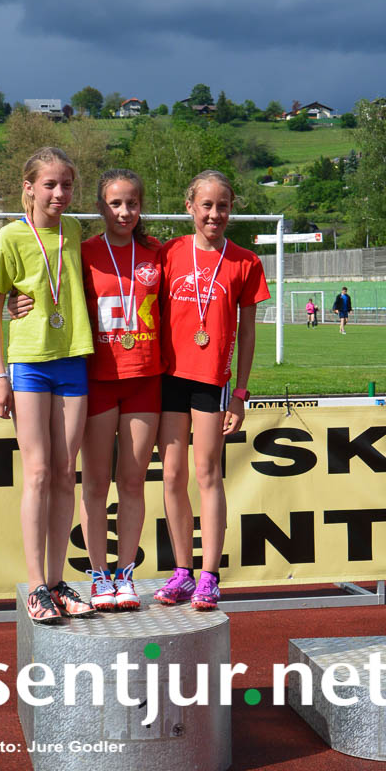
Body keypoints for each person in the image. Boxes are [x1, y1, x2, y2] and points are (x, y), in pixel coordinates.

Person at [7, 169, 163, 612]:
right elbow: (44, 279)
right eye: (115, 204)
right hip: (96, 379)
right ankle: (97, 576)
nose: (124, 212)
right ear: (99, 207)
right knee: (93, 483)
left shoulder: (158, 253)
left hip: (145, 380)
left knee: (132, 482)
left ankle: (125, 574)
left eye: (132, 203)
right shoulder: (82, 247)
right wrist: (14, 301)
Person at [0, 146, 95, 623]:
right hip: (29, 364)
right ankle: (35, 587)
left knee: (66, 473)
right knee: (38, 472)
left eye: (66, 184)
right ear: (28, 187)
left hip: (73, 360)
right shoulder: (9, 237)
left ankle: (56, 581)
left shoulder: (75, 231)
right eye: (50, 184)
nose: (59, 193)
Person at [154, 170, 270, 611]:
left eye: (222, 206)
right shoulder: (169, 253)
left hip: (211, 381)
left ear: (231, 209)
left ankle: (209, 576)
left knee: (207, 473)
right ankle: (182, 572)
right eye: (206, 205)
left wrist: (240, 392)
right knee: (171, 475)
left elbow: (249, 333)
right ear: (190, 207)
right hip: (169, 377)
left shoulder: (245, 261)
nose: (214, 214)